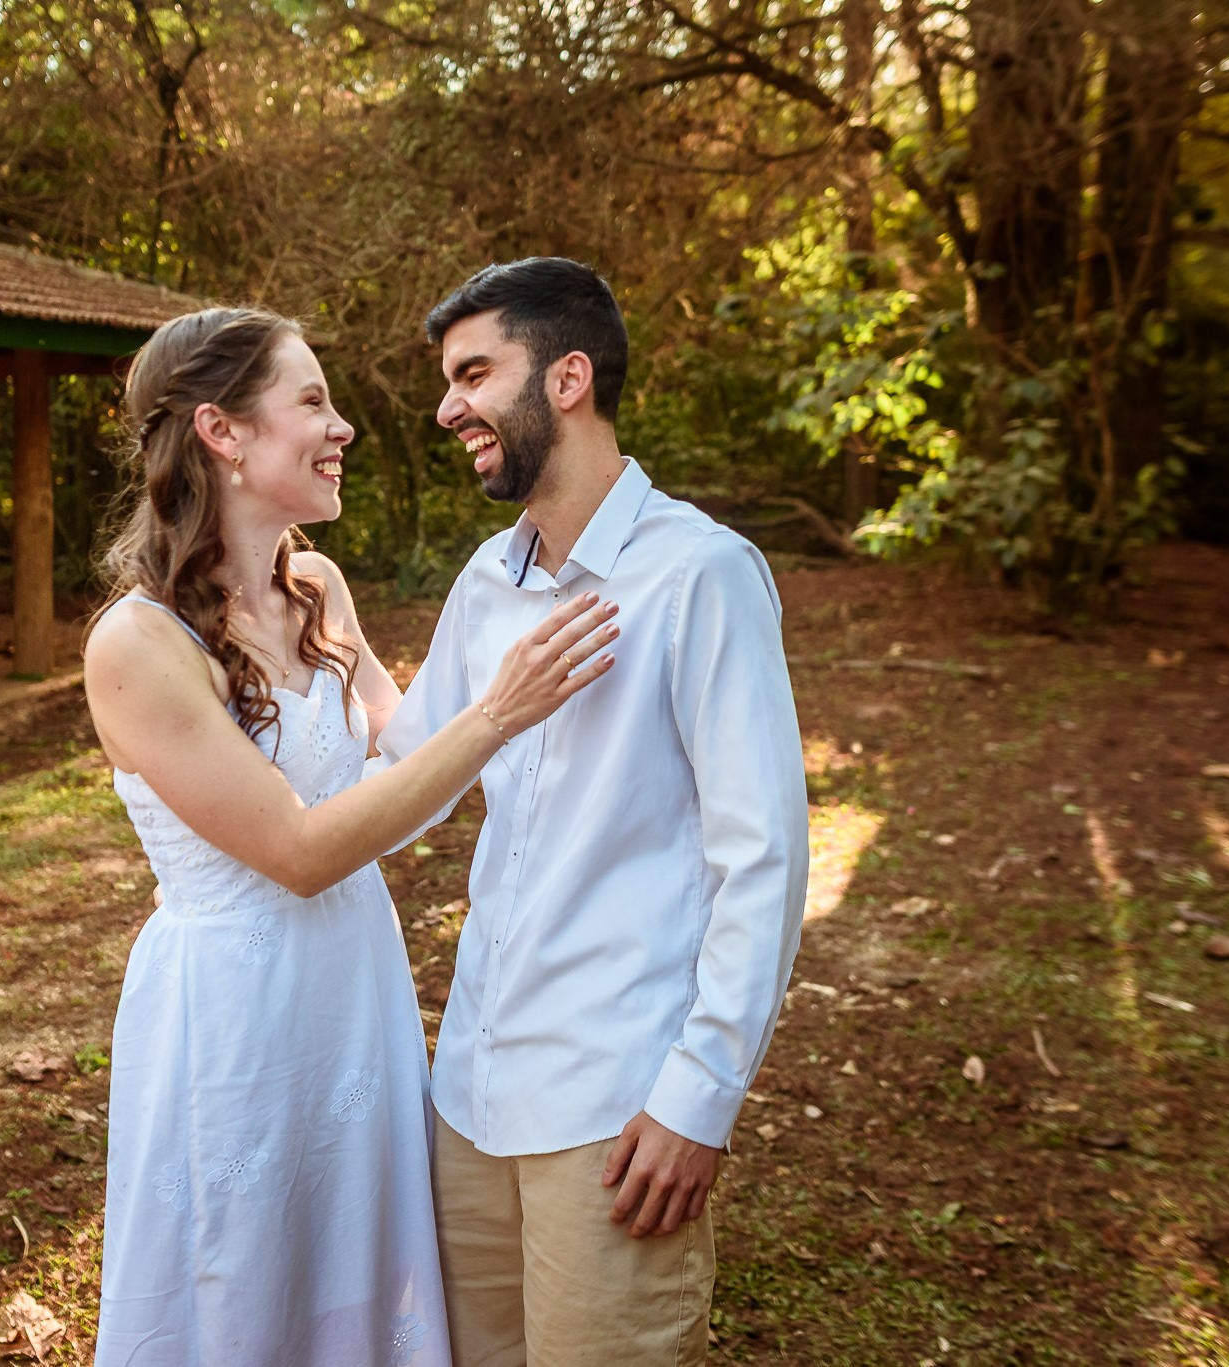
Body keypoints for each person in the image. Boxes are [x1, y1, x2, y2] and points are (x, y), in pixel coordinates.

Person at [80, 305, 619, 1367]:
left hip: (353, 988)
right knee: (245, 1281)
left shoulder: (314, 584)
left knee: (357, 1280)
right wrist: (496, 713)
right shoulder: (136, 643)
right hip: (234, 1017)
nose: (345, 428)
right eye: (314, 401)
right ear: (221, 432)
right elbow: (300, 847)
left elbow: (408, 755)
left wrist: (519, 665)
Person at [374, 258, 810, 1366]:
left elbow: (759, 859)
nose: (447, 406)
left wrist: (698, 1097)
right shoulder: (485, 580)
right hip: (466, 1092)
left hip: (614, 1111)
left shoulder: (699, 573)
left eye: (472, 373)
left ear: (565, 377)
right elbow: (401, 775)